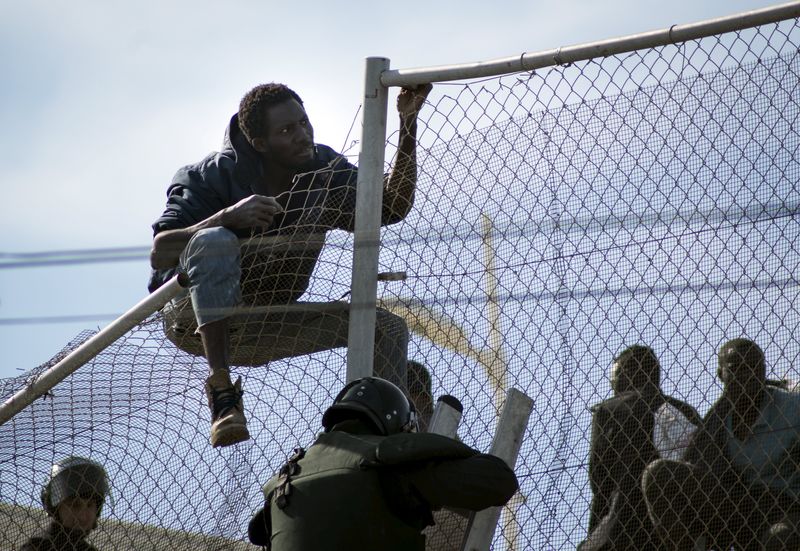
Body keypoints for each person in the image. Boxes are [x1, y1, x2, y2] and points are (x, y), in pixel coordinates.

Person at [149, 82, 432, 448]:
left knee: (386, 328)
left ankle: (390, 440)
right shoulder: (209, 176)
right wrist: (227, 217)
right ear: (260, 143)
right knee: (213, 240)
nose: (302, 136)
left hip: (268, 321)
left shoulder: (324, 171)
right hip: (192, 320)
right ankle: (223, 396)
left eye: (304, 123)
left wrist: (407, 124)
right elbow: (161, 251)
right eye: (286, 130)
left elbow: (390, 208)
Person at [247, 376, 518, 550]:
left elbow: (257, 534)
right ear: (396, 426)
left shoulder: (285, 479)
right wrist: (440, 452)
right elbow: (498, 481)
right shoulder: (388, 460)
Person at [642, 338, 800, 550]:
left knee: (780, 538)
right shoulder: (718, 420)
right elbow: (696, 465)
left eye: (754, 367)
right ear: (721, 375)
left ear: (763, 370)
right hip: (741, 504)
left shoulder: (792, 408)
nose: (748, 376)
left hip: (787, 506)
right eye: (738, 369)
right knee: (657, 473)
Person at [580, 345, 701, 551]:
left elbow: (599, 479)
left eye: (615, 376)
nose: (612, 384)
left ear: (629, 374)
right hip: (679, 526)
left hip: (625, 526)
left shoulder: (609, 411)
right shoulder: (685, 412)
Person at [21, 456, 109, 551]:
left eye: (89, 505)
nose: (83, 516)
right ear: (56, 509)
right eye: (75, 505)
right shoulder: (38, 547)